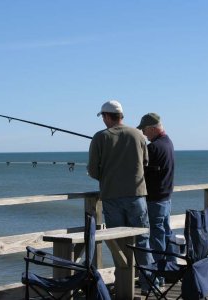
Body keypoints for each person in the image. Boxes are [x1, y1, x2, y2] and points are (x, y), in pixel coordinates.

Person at [87, 100, 153, 295]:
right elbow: (145, 162)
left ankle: (123, 285)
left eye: (103, 117)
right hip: (137, 196)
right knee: (142, 241)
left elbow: (92, 170)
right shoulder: (138, 135)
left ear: (107, 116)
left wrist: (106, 177)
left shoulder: (100, 137)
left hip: (112, 196)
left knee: (118, 244)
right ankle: (149, 285)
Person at [137, 113, 175, 288]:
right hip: (166, 199)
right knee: (166, 235)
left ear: (152, 128)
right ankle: (170, 271)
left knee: (156, 238)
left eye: (144, 130)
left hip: (155, 201)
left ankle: (158, 276)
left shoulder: (154, 148)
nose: (144, 134)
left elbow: (139, 169)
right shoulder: (168, 143)